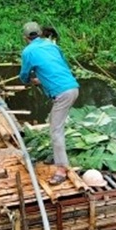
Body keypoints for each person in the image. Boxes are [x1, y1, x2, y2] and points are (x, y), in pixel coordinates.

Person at [19, 21, 79, 185]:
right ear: (39, 33)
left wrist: (29, 79)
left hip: (62, 93)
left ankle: (61, 169)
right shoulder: (52, 45)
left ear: (25, 38)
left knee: (55, 131)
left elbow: (24, 75)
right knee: (55, 123)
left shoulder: (28, 51)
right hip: (72, 87)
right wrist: (43, 79)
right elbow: (59, 67)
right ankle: (58, 154)